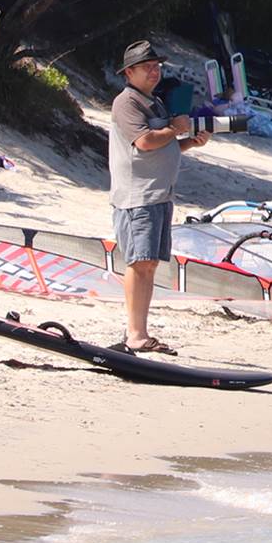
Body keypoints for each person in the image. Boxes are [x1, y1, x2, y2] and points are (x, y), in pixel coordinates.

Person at [109, 40, 210, 353]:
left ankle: (140, 332)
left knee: (149, 264)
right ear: (129, 72)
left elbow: (162, 146)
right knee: (139, 263)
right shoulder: (127, 102)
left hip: (158, 196)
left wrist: (189, 142)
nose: (154, 72)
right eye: (147, 67)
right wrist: (176, 128)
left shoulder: (153, 101)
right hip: (137, 197)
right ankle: (135, 334)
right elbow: (145, 142)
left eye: (156, 66)